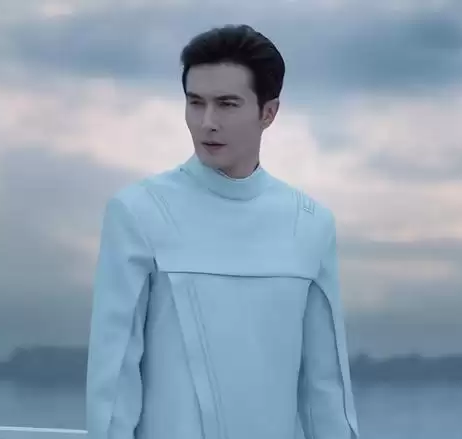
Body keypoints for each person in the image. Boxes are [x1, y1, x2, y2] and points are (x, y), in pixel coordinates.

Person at [85, 24, 360, 439]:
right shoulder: (139, 212)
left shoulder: (309, 224)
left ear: (268, 112)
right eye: (195, 103)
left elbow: (326, 390)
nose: (207, 122)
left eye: (227, 104)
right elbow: (113, 382)